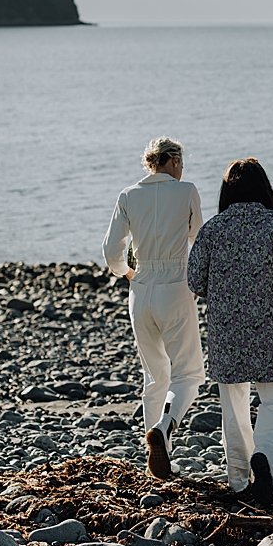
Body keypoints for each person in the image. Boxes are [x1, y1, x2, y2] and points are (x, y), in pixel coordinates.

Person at [186, 157, 273, 509]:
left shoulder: (213, 228)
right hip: (269, 327)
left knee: (233, 404)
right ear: (264, 188)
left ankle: (239, 480)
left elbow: (194, 280)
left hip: (226, 331)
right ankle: (267, 462)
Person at [102, 136, 205, 480]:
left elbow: (111, 250)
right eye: (181, 163)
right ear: (173, 161)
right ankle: (164, 426)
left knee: (155, 375)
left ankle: (155, 458)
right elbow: (199, 240)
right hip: (175, 285)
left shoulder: (129, 195)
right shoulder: (186, 191)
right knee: (188, 374)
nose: (182, 169)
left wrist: (126, 272)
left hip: (141, 287)